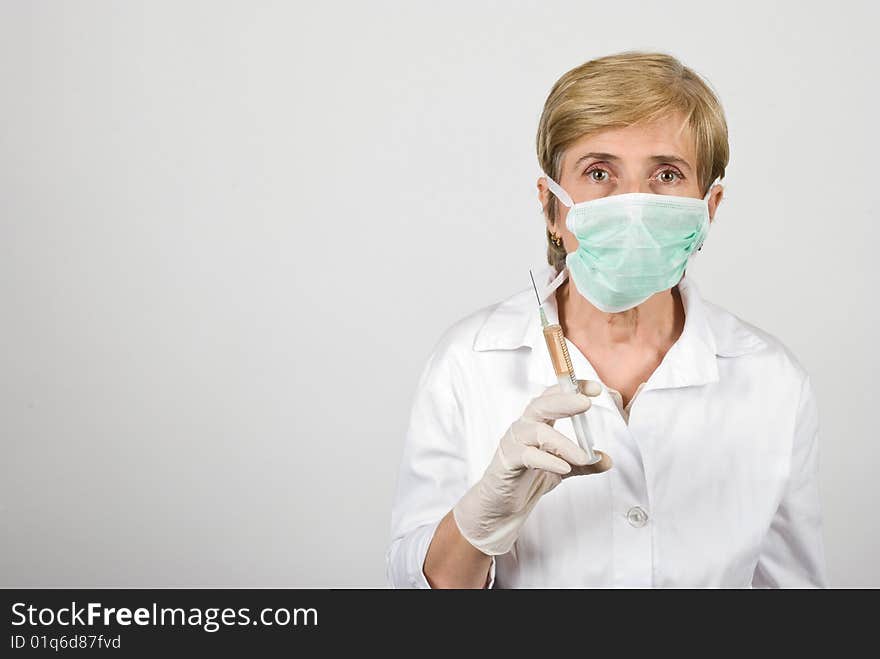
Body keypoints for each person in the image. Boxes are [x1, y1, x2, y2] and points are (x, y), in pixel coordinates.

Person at [386, 51, 827, 588]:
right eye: (599, 172)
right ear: (551, 207)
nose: (633, 204)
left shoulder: (773, 381)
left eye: (667, 174)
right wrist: (480, 525)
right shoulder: (467, 363)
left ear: (708, 208)